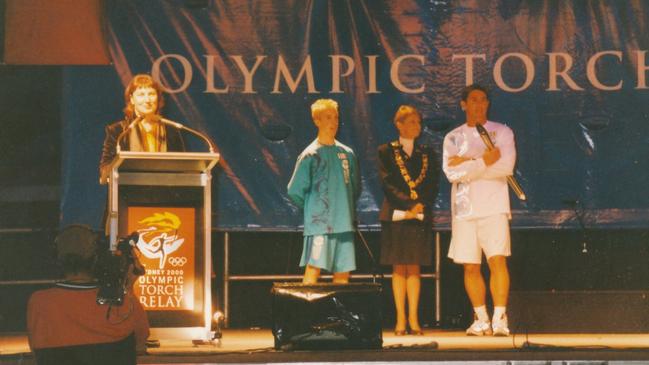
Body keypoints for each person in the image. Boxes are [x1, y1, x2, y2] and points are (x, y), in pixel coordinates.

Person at [442, 84, 516, 336]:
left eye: (483, 100)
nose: (479, 104)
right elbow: (452, 173)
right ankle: (481, 319)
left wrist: (467, 165)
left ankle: (500, 319)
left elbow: (505, 167)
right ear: (464, 104)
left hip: (494, 206)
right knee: (470, 266)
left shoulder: (502, 132)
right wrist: (484, 160)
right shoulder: (452, 137)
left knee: (497, 260)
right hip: (464, 209)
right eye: (473, 100)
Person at [27, 225, 150, 365]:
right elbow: (140, 342)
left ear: (57, 260)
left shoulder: (39, 302)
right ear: (96, 259)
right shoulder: (121, 303)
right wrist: (127, 288)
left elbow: (36, 352)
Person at [378, 105, 439, 336]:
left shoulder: (427, 153)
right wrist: (408, 205)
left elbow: (432, 184)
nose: (417, 126)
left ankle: (414, 318)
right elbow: (388, 183)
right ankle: (400, 318)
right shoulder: (386, 151)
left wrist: (420, 205)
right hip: (397, 213)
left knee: (414, 268)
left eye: (419, 123)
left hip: (419, 213)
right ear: (399, 124)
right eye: (412, 122)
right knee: (398, 268)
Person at [287, 99, 360, 284]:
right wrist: (315, 208)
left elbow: (355, 187)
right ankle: (308, 313)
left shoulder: (347, 153)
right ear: (317, 120)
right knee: (313, 270)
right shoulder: (310, 154)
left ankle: (338, 313)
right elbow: (294, 191)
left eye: (336, 117)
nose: (333, 122)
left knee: (343, 274)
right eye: (328, 117)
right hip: (320, 226)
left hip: (344, 225)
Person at [99, 74, 185, 184]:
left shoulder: (172, 130)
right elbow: (104, 169)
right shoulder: (119, 131)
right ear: (132, 99)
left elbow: (181, 167)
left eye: (151, 94)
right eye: (141, 94)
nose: (147, 99)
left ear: (158, 98)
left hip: (165, 195)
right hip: (128, 196)